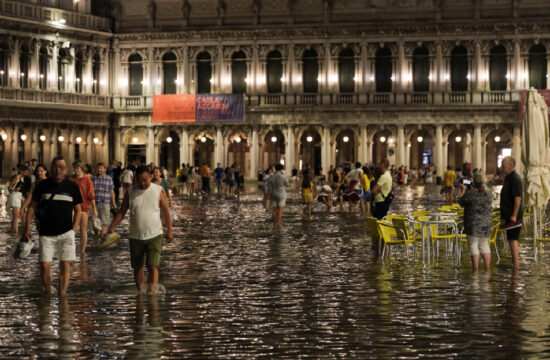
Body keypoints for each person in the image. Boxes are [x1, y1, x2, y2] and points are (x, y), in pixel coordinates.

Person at [107, 165, 173, 294]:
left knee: (152, 266)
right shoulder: (130, 192)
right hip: (135, 236)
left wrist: (169, 231)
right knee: (138, 267)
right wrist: (112, 225)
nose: (142, 183)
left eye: (145, 180)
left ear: (150, 177)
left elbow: (166, 212)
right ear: (134, 179)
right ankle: (141, 293)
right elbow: (122, 211)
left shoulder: (159, 191)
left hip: (155, 234)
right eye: (139, 180)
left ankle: (152, 293)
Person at [24, 156, 83, 296]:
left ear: (66, 170)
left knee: (65, 265)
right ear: (50, 168)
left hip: (66, 233)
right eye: (56, 167)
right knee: (45, 266)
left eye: (61, 167)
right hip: (46, 233)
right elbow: (32, 208)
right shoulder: (42, 186)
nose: (58, 170)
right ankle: (49, 292)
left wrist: (73, 231)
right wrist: (27, 227)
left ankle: (62, 294)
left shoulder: (72, 187)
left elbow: (79, 210)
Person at [458, 172, 493, 273]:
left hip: (472, 224)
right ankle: (487, 270)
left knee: (474, 245)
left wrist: (463, 190)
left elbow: (461, 202)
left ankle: (476, 271)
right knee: (484, 245)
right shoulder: (489, 193)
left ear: (474, 182)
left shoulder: (470, 194)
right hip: (486, 223)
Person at [69, 160, 97, 255]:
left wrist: (94, 209)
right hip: (72, 207)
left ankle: (82, 250)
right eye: (74, 168)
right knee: (71, 228)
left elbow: (91, 195)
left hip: (84, 207)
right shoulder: (70, 179)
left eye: (77, 168)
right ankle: (71, 247)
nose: (75, 170)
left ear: (82, 169)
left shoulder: (87, 179)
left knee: (83, 229)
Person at [500, 156, 523, 270]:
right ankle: (514, 263)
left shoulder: (515, 178)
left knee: (513, 240)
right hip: (509, 215)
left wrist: (514, 215)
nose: (501, 167)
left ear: (511, 166)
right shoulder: (509, 178)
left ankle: (516, 266)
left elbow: (517, 197)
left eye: (503, 165)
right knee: (510, 239)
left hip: (514, 216)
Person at [91, 163, 117, 238]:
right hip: (94, 204)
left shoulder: (108, 178)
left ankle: (102, 236)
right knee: (94, 221)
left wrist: (114, 203)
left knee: (104, 221)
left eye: (101, 168)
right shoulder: (92, 178)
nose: (99, 169)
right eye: (98, 168)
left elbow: (112, 191)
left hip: (105, 203)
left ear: (104, 169)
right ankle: (96, 235)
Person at [7, 165, 31, 236]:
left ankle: (13, 230)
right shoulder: (17, 177)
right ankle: (15, 233)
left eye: (27, 172)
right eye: (25, 172)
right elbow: (9, 187)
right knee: (16, 215)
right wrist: (15, 189)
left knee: (18, 215)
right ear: (21, 171)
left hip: (19, 196)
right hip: (14, 196)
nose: (26, 173)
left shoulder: (23, 178)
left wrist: (22, 196)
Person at [266, 164, 289, 228]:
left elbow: (269, 187)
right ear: (281, 169)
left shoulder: (271, 176)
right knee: (280, 209)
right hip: (281, 194)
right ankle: (278, 224)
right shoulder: (283, 177)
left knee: (274, 210)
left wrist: (268, 196)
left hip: (273, 194)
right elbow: (287, 184)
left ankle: (274, 224)